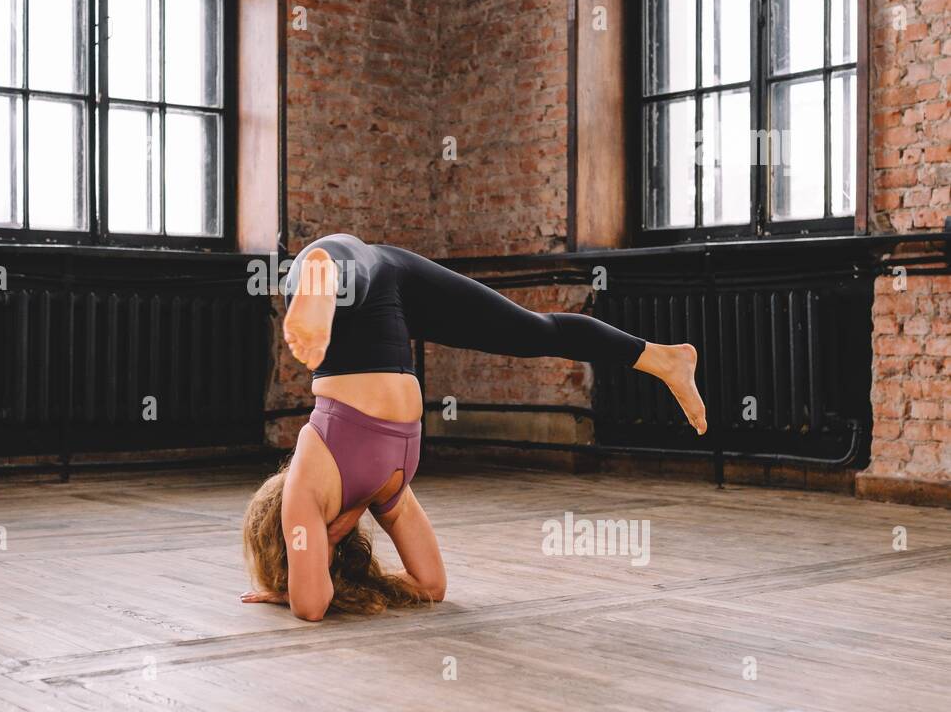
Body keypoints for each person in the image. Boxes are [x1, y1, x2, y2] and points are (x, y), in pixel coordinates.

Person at [241, 233, 706, 621]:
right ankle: (662, 357)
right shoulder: (384, 498)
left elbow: (311, 607)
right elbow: (431, 585)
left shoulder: (311, 487)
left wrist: (288, 589)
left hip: (350, 282)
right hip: (386, 285)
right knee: (533, 332)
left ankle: (318, 274)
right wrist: (355, 581)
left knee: (334, 262)